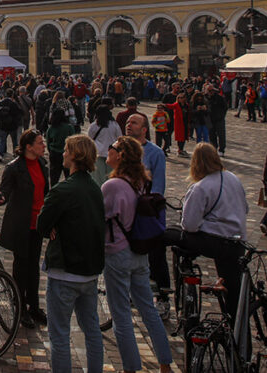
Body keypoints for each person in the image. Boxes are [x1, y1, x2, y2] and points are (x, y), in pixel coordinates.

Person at [102, 137, 174, 373]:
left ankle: (130, 367)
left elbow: (101, 217)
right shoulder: (141, 180)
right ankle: (164, 362)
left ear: (120, 155)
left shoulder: (112, 186)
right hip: (139, 251)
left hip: (118, 252)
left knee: (121, 313)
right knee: (148, 310)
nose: (107, 153)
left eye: (111, 149)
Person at [35, 135, 105, 373]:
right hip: (89, 271)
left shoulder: (63, 189)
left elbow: (42, 223)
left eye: (66, 150)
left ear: (75, 155)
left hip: (65, 270)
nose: (62, 153)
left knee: (60, 335)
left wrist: (53, 226)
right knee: (92, 330)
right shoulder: (95, 188)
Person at [166, 143, 247, 317]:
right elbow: (245, 208)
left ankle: (161, 285)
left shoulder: (201, 187)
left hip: (214, 241)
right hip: (237, 242)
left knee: (166, 234)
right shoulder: (233, 178)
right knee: (233, 292)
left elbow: (189, 225)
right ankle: (237, 335)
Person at [0, 130, 49, 329]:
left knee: (34, 266)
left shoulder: (42, 164)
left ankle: (34, 305)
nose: (43, 146)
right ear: (28, 147)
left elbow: (46, 193)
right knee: (21, 268)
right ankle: (20, 308)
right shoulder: (14, 168)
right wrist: (0, 196)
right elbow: (5, 192)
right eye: (39, 143)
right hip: (21, 224)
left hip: (37, 223)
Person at [124, 113, 170, 316]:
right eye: (127, 122)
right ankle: (134, 292)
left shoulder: (154, 153)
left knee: (156, 256)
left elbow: (158, 188)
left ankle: (163, 297)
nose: (128, 125)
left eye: (133, 122)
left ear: (144, 129)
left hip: (148, 213)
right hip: (127, 213)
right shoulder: (121, 149)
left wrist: (148, 208)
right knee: (131, 255)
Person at [87, 104, 122, 187]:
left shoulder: (94, 125)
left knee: (98, 178)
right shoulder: (114, 125)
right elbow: (120, 138)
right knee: (111, 177)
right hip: (112, 153)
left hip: (97, 153)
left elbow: (89, 140)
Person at [44, 108, 73, 187]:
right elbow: (73, 141)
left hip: (54, 153)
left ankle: (54, 192)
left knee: (54, 177)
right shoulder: (69, 127)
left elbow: (48, 142)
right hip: (67, 153)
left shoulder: (51, 128)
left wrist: (51, 151)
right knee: (69, 176)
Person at [0, 88, 23, 161]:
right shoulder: (13, 103)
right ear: (12, 95)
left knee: (2, 140)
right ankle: (15, 153)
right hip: (12, 126)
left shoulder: (0, 103)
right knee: (14, 140)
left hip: (2, 125)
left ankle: (1, 154)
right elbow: (18, 114)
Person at [207, 86, 228, 156]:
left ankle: (221, 149)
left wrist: (221, 115)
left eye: (212, 91)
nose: (210, 92)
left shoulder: (219, 98)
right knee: (211, 135)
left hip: (219, 119)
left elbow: (225, 107)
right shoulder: (205, 98)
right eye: (209, 91)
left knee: (221, 135)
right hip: (210, 120)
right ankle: (213, 148)